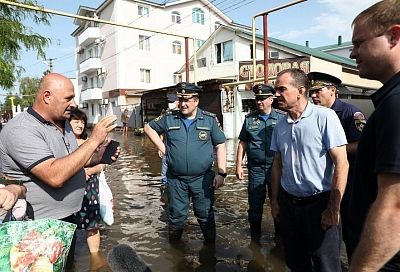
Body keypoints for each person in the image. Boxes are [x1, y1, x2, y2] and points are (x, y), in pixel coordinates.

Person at [0, 73, 118, 267]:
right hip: (38, 226)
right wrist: (94, 139)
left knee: (67, 265)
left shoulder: (64, 124)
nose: (73, 103)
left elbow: (72, 160)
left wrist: (100, 156)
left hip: (66, 220)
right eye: (68, 98)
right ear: (47, 97)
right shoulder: (21, 130)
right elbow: (55, 175)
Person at [270, 68, 349, 271]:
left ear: (300, 90)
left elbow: (342, 163)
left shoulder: (325, 117)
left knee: (326, 265)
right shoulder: (280, 125)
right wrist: (275, 202)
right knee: (296, 262)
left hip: (320, 204)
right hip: (289, 205)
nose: (276, 94)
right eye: (275, 89)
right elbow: (277, 165)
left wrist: (333, 208)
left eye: (281, 89)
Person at [348, 1, 400, 270]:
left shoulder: (397, 102)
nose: (352, 53)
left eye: (359, 43)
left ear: (394, 36)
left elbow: (395, 208)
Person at [144, 82, 227, 244]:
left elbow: (220, 145)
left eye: (187, 100)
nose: (182, 103)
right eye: (180, 99)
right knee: (176, 217)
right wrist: (164, 148)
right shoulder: (169, 117)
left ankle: (210, 251)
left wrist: (222, 173)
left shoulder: (209, 120)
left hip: (202, 180)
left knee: (205, 215)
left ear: (196, 101)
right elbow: (148, 128)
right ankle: (176, 255)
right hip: (176, 180)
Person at [308, 71, 366, 260]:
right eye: (312, 92)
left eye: (318, 91)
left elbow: (362, 145)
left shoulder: (350, 113)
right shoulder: (314, 115)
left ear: (333, 90)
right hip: (324, 181)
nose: (314, 96)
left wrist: (332, 150)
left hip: (349, 182)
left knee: (351, 231)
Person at [235, 83, 285, 243]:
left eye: (263, 98)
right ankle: (255, 239)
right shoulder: (250, 119)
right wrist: (238, 165)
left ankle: (280, 238)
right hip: (256, 169)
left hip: (276, 169)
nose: (259, 101)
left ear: (271, 99)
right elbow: (243, 142)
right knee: (255, 204)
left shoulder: (282, 118)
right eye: (257, 98)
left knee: (277, 203)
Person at [69, 108, 105, 253]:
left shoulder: (91, 142)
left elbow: (103, 164)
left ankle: (95, 258)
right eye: (76, 121)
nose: (80, 125)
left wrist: (89, 170)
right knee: (69, 223)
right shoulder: (63, 143)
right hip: (69, 189)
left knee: (92, 225)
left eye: (83, 121)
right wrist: (78, 172)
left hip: (90, 188)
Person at [159, 93, 179, 203]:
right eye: (169, 102)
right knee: (164, 169)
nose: (170, 104)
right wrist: (160, 146)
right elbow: (162, 131)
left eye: (172, 102)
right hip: (166, 147)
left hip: (176, 149)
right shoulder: (165, 113)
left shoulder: (181, 115)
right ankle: (164, 187)